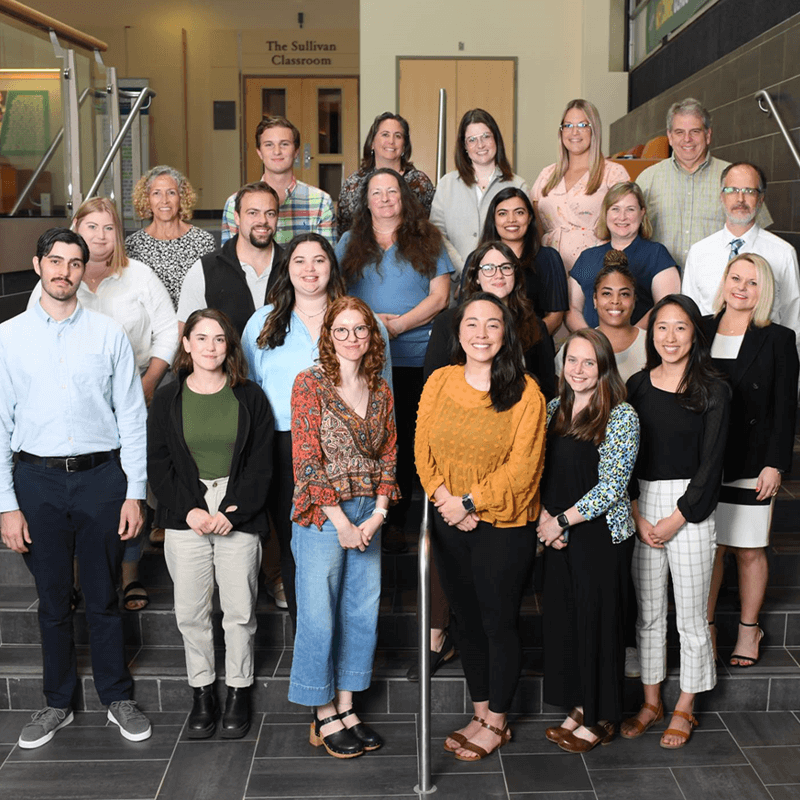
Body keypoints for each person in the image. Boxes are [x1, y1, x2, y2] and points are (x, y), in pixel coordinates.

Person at [0, 228, 151, 748]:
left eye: (74, 263)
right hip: (35, 481)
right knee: (52, 600)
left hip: (101, 480)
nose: (64, 271)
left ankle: (116, 696)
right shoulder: (8, 337)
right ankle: (56, 703)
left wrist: (135, 491)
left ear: (85, 269)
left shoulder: (108, 335)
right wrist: (6, 506)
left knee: (104, 594)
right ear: (39, 263)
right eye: (55, 261)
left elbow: (132, 416)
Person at [27, 197, 179, 612]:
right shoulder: (56, 282)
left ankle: (130, 577)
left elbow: (167, 332)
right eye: (90, 227)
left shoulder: (140, 276)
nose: (99, 236)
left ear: (119, 233)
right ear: (76, 228)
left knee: (134, 485)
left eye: (108, 228)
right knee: (82, 493)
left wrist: (148, 384)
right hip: (80, 407)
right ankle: (76, 579)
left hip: (137, 395)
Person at [415, 293, 546, 762]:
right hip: (450, 518)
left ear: (506, 334)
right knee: (466, 621)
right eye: (472, 324)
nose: (481, 334)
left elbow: (524, 466)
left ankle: (499, 720)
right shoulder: (438, 381)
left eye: (493, 325)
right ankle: (479, 711)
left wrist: (469, 501)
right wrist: (444, 499)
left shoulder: (526, 391)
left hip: (504, 526)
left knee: (496, 622)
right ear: (459, 331)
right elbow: (422, 448)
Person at [242, 234, 392, 626]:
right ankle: (308, 635)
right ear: (286, 269)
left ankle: (346, 642)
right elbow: (249, 388)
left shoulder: (360, 321)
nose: (310, 269)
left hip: (351, 450)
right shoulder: (263, 321)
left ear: (332, 267)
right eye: (300, 261)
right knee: (299, 544)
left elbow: (381, 390)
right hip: (283, 443)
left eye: (319, 260)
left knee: (352, 548)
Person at [148, 309, 273, 740]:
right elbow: (159, 463)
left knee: (239, 611)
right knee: (191, 612)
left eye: (219, 339)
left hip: (237, 508)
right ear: (186, 345)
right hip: (187, 510)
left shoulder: (250, 396)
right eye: (201, 338)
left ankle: (238, 690)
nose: (210, 347)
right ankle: (202, 691)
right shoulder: (168, 398)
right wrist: (191, 511)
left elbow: (261, 464)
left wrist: (231, 510)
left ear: (229, 346)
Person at [288, 296, 398, 759]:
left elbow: (390, 455)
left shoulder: (382, 388)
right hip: (321, 515)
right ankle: (323, 709)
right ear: (328, 336)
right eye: (342, 330)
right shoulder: (308, 384)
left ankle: (349, 705)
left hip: (368, 512)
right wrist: (341, 523)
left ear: (371, 336)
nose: (352, 339)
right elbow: (306, 462)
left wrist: (377, 514)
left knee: (360, 612)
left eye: (361, 330)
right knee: (319, 614)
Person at [623, 295, 730, 749]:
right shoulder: (636, 385)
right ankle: (651, 702)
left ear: (694, 335)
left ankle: (686, 705)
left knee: (689, 618)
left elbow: (712, 465)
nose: (669, 337)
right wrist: (634, 511)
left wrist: (675, 519)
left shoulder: (715, 389)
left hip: (690, 508)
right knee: (647, 616)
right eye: (662, 328)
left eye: (680, 327)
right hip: (641, 505)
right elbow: (622, 456)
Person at [337, 168, 452, 549]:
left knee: (411, 436)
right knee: (376, 437)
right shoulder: (349, 242)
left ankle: (405, 519)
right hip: (362, 361)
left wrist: (398, 326)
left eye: (392, 192)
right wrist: (370, 329)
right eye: (377, 192)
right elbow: (334, 294)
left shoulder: (427, 239)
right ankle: (374, 513)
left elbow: (440, 297)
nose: (385, 199)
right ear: (365, 200)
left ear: (403, 197)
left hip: (417, 357)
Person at [538, 329, 639, 753]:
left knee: (598, 623)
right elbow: (537, 470)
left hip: (599, 536)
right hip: (556, 533)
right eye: (572, 361)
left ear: (603, 369)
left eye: (588, 362)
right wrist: (545, 521)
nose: (578, 370)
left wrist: (561, 521)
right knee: (566, 621)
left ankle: (602, 717)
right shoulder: (552, 408)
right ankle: (579, 706)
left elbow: (612, 487)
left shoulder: (621, 415)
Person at [703, 254, 798, 667]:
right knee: (710, 550)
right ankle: (704, 628)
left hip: (753, 460)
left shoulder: (777, 337)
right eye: (735, 277)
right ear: (724, 280)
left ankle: (748, 628)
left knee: (747, 548)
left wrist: (775, 463)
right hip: (703, 459)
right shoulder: (701, 329)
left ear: (765, 292)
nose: (742, 287)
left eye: (753, 282)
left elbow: (784, 407)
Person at [682, 162, 800, 359]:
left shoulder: (783, 253)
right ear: (722, 196)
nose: (740, 199)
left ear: (761, 199)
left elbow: (793, 319)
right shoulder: (699, 251)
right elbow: (689, 315)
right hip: (706, 362)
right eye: (732, 190)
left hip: (763, 361)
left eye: (749, 191)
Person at [636, 99, 772, 270]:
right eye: (679, 132)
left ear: (708, 135)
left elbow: (759, 236)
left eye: (695, 131)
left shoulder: (735, 178)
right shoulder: (647, 180)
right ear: (670, 137)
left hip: (717, 288)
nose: (687, 139)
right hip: (660, 289)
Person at [428, 241, 556, 400]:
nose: (498, 275)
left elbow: (547, 390)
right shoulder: (447, 322)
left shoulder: (535, 325)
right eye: (488, 268)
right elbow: (433, 385)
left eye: (506, 267)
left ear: (516, 274)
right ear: (476, 278)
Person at [531, 99, 630, 272]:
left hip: (596, 269)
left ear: (594, 130)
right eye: (568, 125)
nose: (574, 132)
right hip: (550, 270)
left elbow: (627, 226)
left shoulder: (613, 174)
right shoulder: (547, 175)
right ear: (561, 132)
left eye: (583, 125)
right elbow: (534, 227)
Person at [567, 182, 680, 331]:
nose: (622, 217)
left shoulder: (657, 255)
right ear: (605, 213)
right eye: (615, 209)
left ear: (642, 212)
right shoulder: (587, 258)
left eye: (630, 209)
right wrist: (592, 340)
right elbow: (572, 308)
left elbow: (665, 306)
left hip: (639, 346)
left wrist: (629, 339)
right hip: (592, 348)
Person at [178, 182, 284, 337]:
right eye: (253, 213)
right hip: (224, 361)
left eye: (270, 213)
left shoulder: (294, 267)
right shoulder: (205, 269)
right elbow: (185, 334)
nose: (262, 221)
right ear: (237, 217)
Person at [430, 108, 528, 272]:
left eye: (486, 136)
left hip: (502, 281)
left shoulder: (518, 185)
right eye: (472, 139)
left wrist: (492, 272)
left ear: (496, 139)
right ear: (465, 146)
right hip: (457, 284)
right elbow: (437, 235)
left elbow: (524, 240)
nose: (480, 144)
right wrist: (465, 272)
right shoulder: (447, 184)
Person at [461, 188, 568, 335]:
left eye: (519, 212)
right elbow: (464, 309)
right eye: (503, 213)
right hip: (483, 344)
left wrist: (521, 344)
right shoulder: (476, 259)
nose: (511, 219)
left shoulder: (549, 258)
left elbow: (555, 317)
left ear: (530, 217)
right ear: (493, 219)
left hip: (534, 345)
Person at [221, 115, 335, 246]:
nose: (277, 151)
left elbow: (326, 260)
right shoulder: (234, 203)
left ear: (296, 151)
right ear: (259, 152)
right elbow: (228, 261)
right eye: (269, 145)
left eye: (284, 144)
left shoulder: (321, 202)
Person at [125, 165, 217, 309]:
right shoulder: (133, 245)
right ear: (147, 199)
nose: (164, 200)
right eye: (156, 193)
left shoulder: (203, 241)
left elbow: (211, 292)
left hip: (192, 324)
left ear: (182, 198)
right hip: (150, 326)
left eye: (171, 193)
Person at [336, 112, 434, 235]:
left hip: (411, 250)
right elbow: (343, 229)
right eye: (385, 135)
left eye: (398, 136)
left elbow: (430, 228)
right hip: (362, 250)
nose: (391, 141)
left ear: (404, 146)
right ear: (372, 143)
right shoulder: (353, 183)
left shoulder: (419, 183)